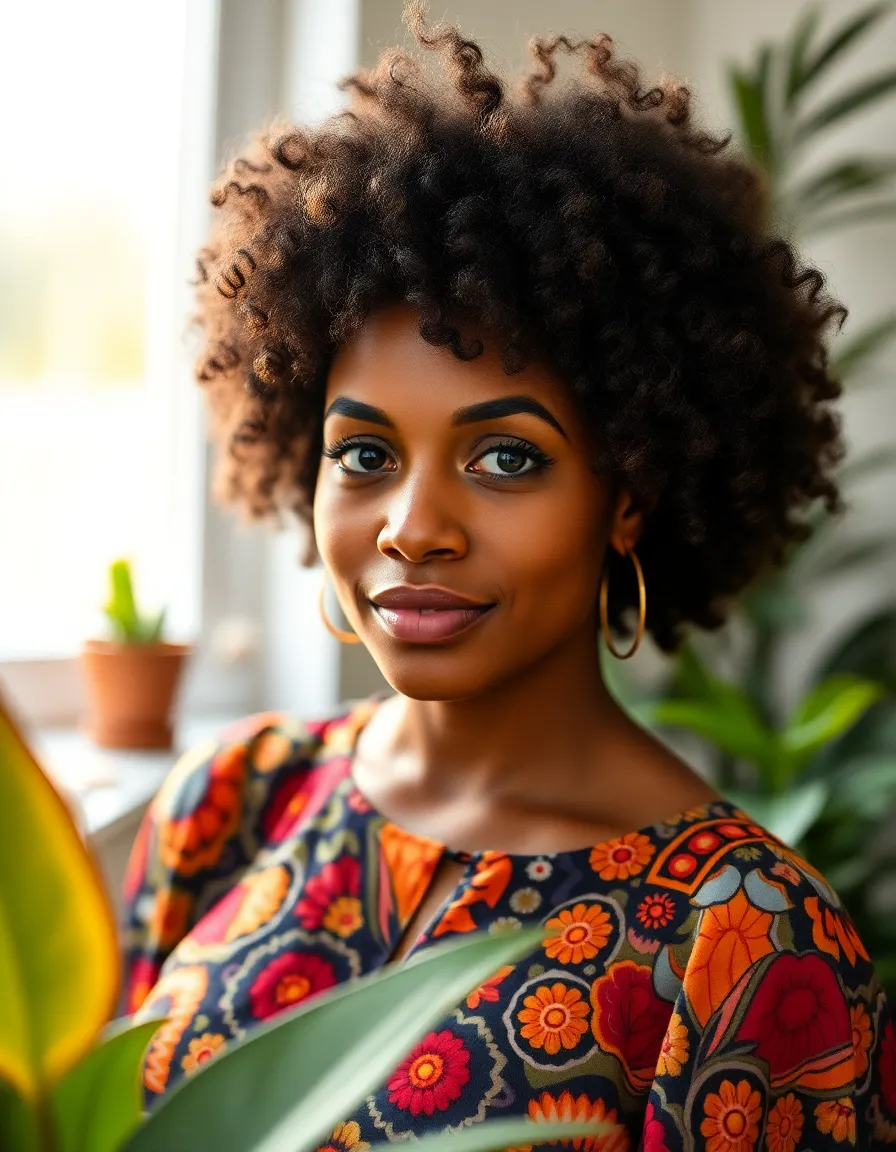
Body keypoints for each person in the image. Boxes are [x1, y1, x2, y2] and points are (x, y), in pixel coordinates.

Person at [121, 2, 896, 1147]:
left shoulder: (736, 937)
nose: (413, 527)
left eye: (504, 458)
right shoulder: (228, 805)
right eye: (366, 455)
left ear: (627, 492)